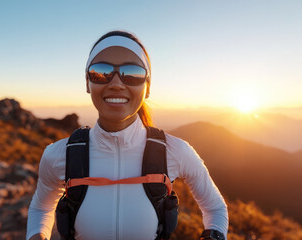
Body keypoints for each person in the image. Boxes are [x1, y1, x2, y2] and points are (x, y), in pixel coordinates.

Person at [27, 30, 228, 240]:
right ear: (87, 83)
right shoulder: (58, 155)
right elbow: (40, 209)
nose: (115, 83)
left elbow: (215, 208)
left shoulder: (176, 151)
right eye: (100, 72)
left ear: (147, 87)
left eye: (133, 74)